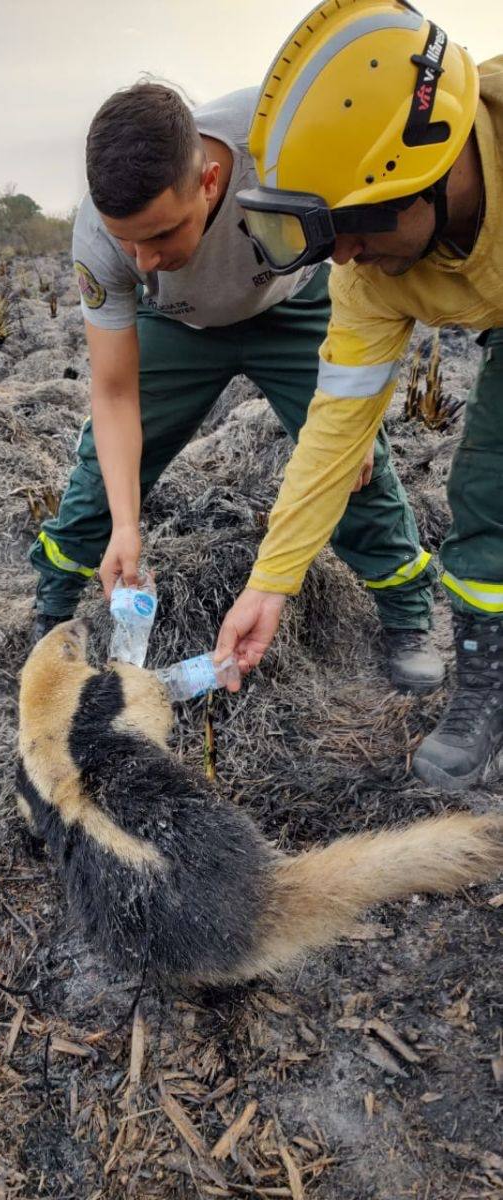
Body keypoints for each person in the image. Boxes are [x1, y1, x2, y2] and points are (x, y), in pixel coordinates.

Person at [30, 80, 445, 692]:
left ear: (211, 181)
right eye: (129, 241)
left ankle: (407, 616)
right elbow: (114, 392)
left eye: (162, 235)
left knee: (354, 467)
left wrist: (352, 423)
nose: (142, 260)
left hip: (293, 304)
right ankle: (52, 605)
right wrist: (127, 526)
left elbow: (369, 267)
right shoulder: (100, 235)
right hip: (178, 323)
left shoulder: (283, 140)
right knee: (102, 476)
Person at [216, 0, 502, 792]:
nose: (340, 256)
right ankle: (489, 691)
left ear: (430, 174)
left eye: (349, 225)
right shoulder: (366, 277)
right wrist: (268, 585)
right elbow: (333, 431)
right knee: (486, 489)